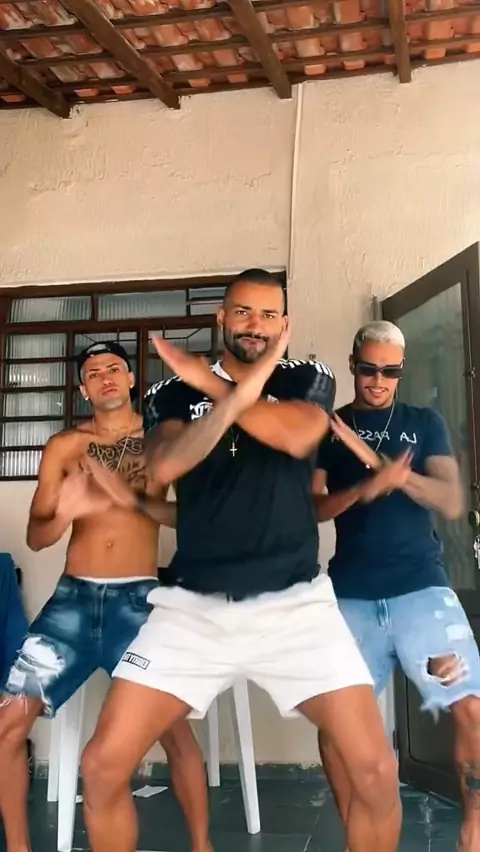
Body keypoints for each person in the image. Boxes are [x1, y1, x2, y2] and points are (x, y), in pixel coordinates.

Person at [79, 269, 401, 852]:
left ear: (284, 323)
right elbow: (167, 466)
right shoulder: (170, 392)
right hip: (191, 610)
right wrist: (223, 396)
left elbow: (298, 437)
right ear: (222, 317)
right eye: (244, 312)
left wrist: (213, 385)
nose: (256, 325)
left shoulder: (306, 375)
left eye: (268, 314)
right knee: (102, 766)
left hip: (295, 606)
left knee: (376, 772)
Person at [0, 341, 211, 852]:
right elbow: (36, 536)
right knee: (7, 726)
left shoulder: (164, 440)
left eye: (114, 368)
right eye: (93, 373)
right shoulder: (65, 447)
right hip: (70, 608)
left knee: (175, 730)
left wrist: (132, 500)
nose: (106, 377)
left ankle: (202, 846)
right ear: (82, 389)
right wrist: (67, 511)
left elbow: (201, 517)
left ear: (133, 379)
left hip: (139, 606)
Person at [315, 319, 480, 852]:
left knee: (472, 709)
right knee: (335, 726)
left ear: (401, 371)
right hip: (352, 596)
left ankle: (474, 830)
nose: (378, 381)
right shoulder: (328, 427)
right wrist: (366, 488)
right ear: (353, 364)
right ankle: (355, 836)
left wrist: (386, 469)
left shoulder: (422, 422)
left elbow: (450, 500)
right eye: (368, 369)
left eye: (390, 372)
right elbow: (312, 508)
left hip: (421, 591)